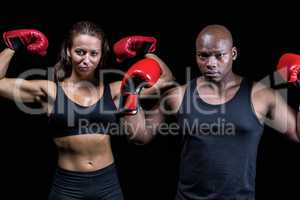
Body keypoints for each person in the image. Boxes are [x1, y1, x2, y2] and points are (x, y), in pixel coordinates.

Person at [121, 24, 300, 200]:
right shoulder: (179, 96)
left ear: (233, 54)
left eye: (219, 55)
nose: (211, 63)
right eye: (204, 56)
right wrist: (131, 93)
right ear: (196, 55)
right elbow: (140, 136)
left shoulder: (260, 96)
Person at [0, 21, 173, 200]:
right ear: (69, 51)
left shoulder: (116, 90)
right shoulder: (51, 91)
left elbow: (167, 81)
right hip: (67, 187)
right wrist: (13, 45)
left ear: (100, 55)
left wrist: (147, 51)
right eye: (80, 52)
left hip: (108, 185)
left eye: (93, 54)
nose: (86, 60)